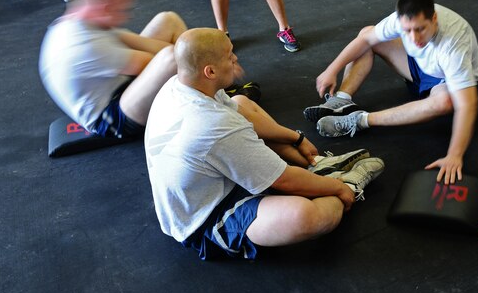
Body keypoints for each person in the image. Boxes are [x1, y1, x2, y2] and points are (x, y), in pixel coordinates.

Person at [144, 27, 384, 261]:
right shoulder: (212, 124)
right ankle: (346, 182)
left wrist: (296, 138)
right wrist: (337, 189)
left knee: (241, 102)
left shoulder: (180, 85)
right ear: (210, 71)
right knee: (306, 216)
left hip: (207, 181)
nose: (235, 58)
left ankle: (317, 166)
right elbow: (284, 180)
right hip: (203, 218)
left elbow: (239, 113)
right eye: (229, 56)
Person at [304, 0, 478, 185]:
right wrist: (332, 69)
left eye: (420, 29)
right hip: (419, 68)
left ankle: (359, 120)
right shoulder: (401, 21)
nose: (414, 38)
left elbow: (467, 105)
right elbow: (365, 40)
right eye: (407, 30)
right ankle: (342, 100)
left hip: (448, 82)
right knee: (367, 33)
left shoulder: (453, 44)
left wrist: (454, 155)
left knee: (445, 102)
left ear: (434, 18)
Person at [39, 0, 186, 139]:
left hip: (117, 83)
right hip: (112, 118)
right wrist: (201, 55)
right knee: (171, 59)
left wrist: (192, 50)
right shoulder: (87, 44)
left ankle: (205, 79)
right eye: (123, 9)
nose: (127, 16)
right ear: (106, 8)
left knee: (167, 20)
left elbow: (137, 43)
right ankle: (209, 93)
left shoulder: (82, 20)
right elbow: (153, 62)